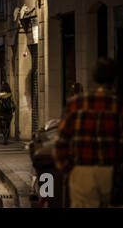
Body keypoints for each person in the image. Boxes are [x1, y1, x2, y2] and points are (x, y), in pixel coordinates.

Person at [53, 58, 123, 208]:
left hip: (82, 171)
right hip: (110, 172)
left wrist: (68, 169)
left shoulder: (76, 104)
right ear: (114, 79)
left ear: (93, 78)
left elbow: (60, 142)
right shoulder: (117, 105)